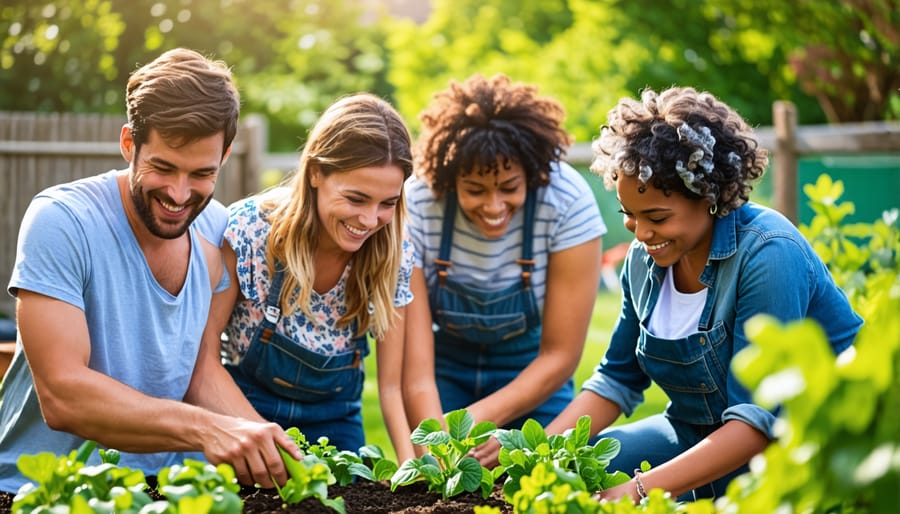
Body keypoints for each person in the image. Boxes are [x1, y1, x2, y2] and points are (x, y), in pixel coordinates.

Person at [0, 48, 301, 494]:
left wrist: (267, 446)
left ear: (226, 155)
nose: (180, 195)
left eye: (201, 173)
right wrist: (205, 429)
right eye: (163, 167)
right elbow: (63, 396)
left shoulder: (217, 229)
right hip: (40, 492)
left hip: (162, 490)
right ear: (128, 143)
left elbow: (199, 371)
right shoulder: (62, 220)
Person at [545, 86, 864, 502]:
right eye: (629, 216)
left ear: (710, 196)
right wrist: (539, 451)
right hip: (693, 434)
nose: (641, 234)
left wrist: (638, 490)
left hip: (796, 448)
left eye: (657, 217)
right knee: (572, 468)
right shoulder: (645, 261)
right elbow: (617, 378)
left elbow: (757, 421)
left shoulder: (768, 253)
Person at [204, 93, 441, 463]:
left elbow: (391, 388)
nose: (370, 220)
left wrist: (416, 468)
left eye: (387, 203)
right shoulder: (250, 232)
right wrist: (264, 443)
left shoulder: (392, 250)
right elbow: (203, 361)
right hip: (245, 415)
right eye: (356, 198)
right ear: (316, 173)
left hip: (337, 423)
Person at [404, 74, 606, 463]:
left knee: (547, 476)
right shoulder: (419, 202)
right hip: (443, 368)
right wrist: (442, 435)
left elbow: (561, 353)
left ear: (530, 172)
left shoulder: (566, 201)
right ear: (449, 181)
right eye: (475, 190)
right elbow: (414, 366)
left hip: (534, 369)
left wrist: (484, 418)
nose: (494, 207)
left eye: (509, 187)